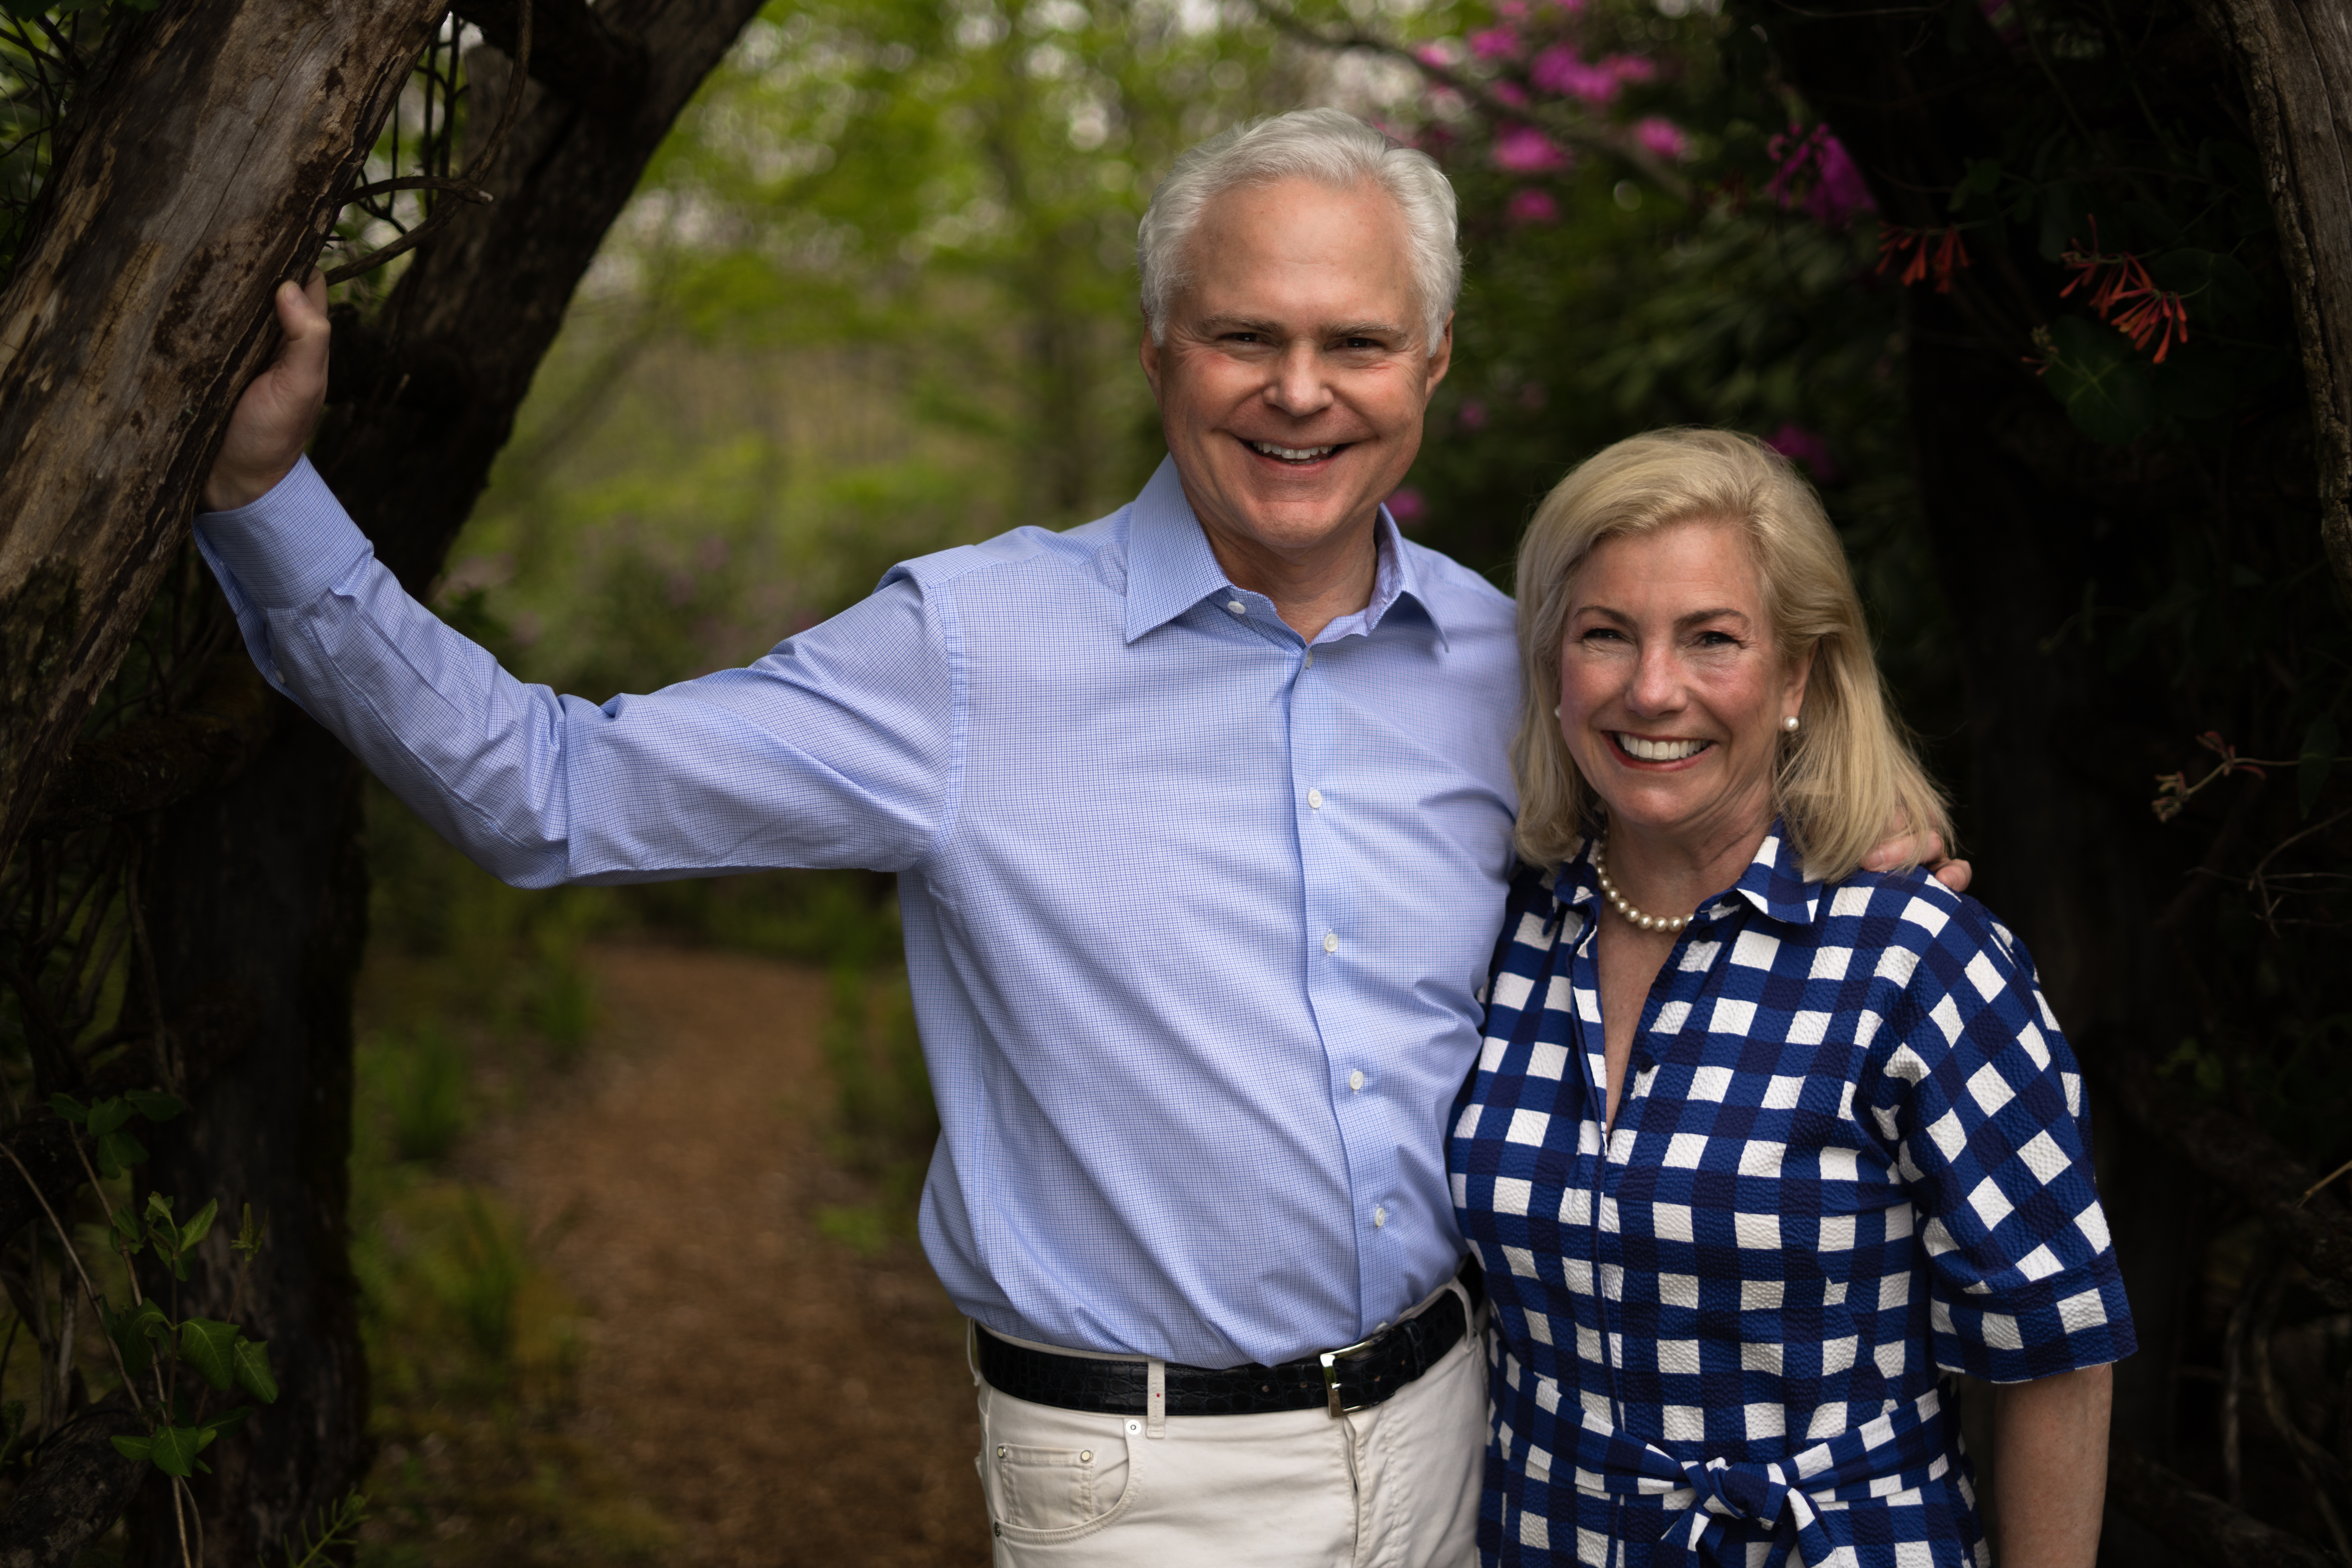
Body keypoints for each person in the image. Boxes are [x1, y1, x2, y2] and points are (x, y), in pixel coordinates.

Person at [200, 111, 1959, 1565]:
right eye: (1242, 336)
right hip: (1140, 1480)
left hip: (1463, 1441)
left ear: (1428, 364)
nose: (1299, 392)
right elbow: (550, 789)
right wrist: (269, 501)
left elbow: (1689, 826)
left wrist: (1861, 820)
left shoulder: (1512, 668)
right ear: (1158, 352)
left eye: (1352, 341)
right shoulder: (969, 653)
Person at [1450, 429, 2129, 1568]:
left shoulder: (1917, 960)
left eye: (1713, 639)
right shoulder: (1503, 933)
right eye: (1606, 634)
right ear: (1553, 667)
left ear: (1799, 675)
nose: (1652, 689)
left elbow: (2054, 1349)